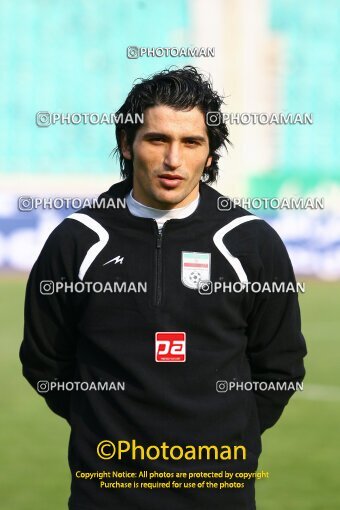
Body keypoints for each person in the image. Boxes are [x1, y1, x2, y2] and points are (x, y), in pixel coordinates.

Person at [20, 66, 307, 510]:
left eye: (191, 142)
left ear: (209, 154)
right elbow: (45, 363)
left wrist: (229, 441)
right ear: (127, 144)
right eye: (157, 140)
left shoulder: (251, 243)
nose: (174, 159)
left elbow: (281, 365)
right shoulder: (78, 241)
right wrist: (105, 433)